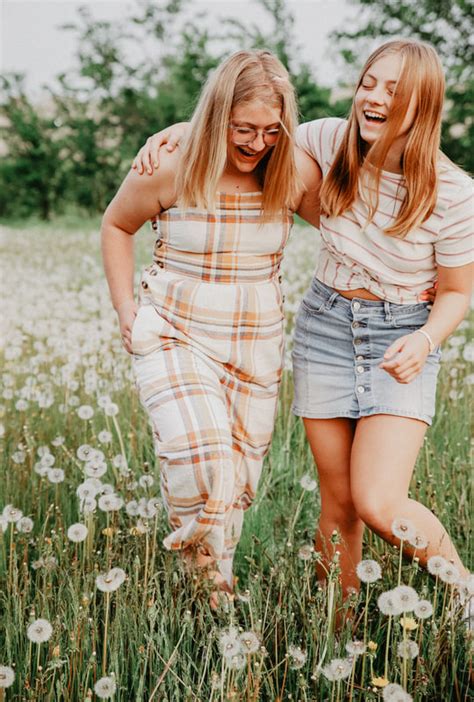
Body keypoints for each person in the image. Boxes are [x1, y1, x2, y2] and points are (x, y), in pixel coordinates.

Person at [132, 39, 472, 597]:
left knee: (378, 500)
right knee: (338, 505)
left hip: (402, 337)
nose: (374, 97)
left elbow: (457, 291)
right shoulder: (327, 138)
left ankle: (464, 593)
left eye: (393, 90)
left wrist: (427, 338)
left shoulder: (454, 193)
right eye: (368, 83)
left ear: (423, 104)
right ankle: (337, 637)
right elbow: (244, 125)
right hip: (327, 327)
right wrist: (177, 130)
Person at [101, 50, 321, 607]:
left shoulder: (290, 171)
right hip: (173, 330)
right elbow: (116, 224)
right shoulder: (173, 164)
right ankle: (211, 589)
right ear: (217, 116)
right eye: (243, 129)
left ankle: (210, 593)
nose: (256, 144)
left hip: (254, 341)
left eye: (271, 131)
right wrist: (127, 310)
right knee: (201, 455)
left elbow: (350, 222)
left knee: (238, 477)